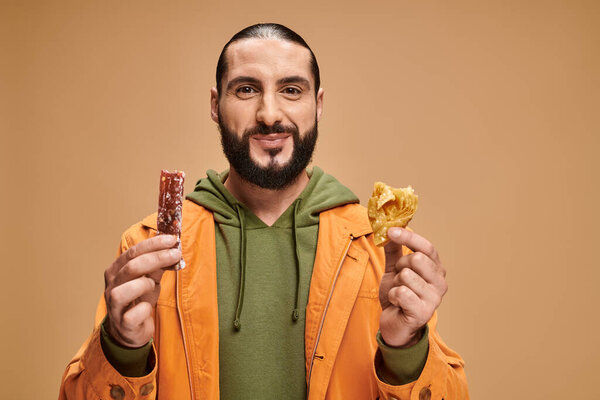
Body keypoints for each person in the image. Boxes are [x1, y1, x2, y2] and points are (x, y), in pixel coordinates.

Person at [59, 23, 468, 400]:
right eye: (246, 90)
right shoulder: (150, 251)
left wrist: (405, 351)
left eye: (291, 90)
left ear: (318, 104)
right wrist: (122, 348)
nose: (269, 114)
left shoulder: (383, 255)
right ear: (216, 106)